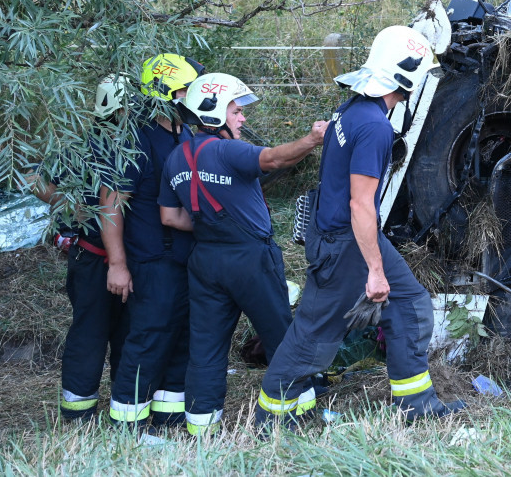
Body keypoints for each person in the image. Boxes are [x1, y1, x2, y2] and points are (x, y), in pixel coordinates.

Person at [255, 25, 465, 427]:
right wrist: (373, 270)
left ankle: (415, 403)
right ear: (410, 77)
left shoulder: (351, 108)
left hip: (343, 233)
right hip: (345, 241)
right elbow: (361, 205)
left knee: (411, 303)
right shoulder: (374, 127)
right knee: (315, 332)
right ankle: (272, 416)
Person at [158, 72, 327, 436]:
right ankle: (294, 418)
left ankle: (202, 428)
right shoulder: (225, 149)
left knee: (206, 346)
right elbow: (275, 159)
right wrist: (313, 139)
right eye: (236, 110)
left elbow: (170, 217)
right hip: (250, 259)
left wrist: (212, 226)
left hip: (205, 261)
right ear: (215, 112)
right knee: (282, 337)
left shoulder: (175, 158)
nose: (243, 118)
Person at [102, 53, 204, 429]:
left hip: (185, 259)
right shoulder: (136, 138)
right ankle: (127, 426)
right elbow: (110, 202)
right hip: (152, 261)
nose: (193, 95)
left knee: (180, 340)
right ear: (165, 92)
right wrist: (117, 264)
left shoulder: (184, 133)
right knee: (148, 340)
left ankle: (168, 421)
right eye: (186, 88)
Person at [31, 74, 132, 421]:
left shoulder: (88, 141)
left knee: (108, 330)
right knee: (96, 331)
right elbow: (31, 177)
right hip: (96, 256)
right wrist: (73, 205)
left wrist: (71, 204)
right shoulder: (88, 143)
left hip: (107, 256)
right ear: (122, 110)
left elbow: (33, 178)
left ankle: (108, 405)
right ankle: (81, 410)